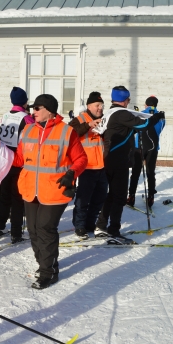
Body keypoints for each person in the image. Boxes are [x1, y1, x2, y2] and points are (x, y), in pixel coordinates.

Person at [0, 94, 87, 289]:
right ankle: (47, 263)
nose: (33, 112)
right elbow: (18, 160)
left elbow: (81, 159)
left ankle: (47, 273)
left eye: (37, 109)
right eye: (32, 108)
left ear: (49, 111)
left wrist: (71, 174)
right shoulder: (27, 130)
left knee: (45, 229)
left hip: (55, 188)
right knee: (33, 230)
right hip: (30, 189)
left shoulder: (67, 132)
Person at [95, 86, 164, 243]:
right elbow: (142, 125)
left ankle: (101, 225)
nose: (128, 102)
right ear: (125, 100)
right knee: (119, 196)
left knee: (112, 195)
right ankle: (113, 230)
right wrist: (155, 117)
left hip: (110, 158)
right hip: (118, 159)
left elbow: (121, 131)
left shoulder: (110, 113)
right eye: (128, 100)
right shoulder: (121, 113)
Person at [0, 87, 35, 243]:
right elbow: (32, 137)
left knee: (4, 196)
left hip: (4, 160)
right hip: (18, 161)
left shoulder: (5, 116)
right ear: (25, 101)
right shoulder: (26, 118)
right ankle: (16, 233)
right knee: (17, 199)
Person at [69, 91, 106, 238]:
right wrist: (88, 125)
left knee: (99, 198)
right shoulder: (80, 119)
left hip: (102, 166)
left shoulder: (105, 119)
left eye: (102, 106)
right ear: (89, 106)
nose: (100, 108)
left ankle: (90, 224)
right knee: (83, 199)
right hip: (86, 167)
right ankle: (79, 226)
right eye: (97, 105)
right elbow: (69, 133)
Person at [127, 96, 165, 208]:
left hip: (139, 146)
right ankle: (151, 197)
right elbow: (160, 130)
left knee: (135, 172)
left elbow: (136, 127)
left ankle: (131, 196)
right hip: (153, 148)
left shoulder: (142, 113)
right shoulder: (161, 116)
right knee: (150, 172)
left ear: (146, 104)